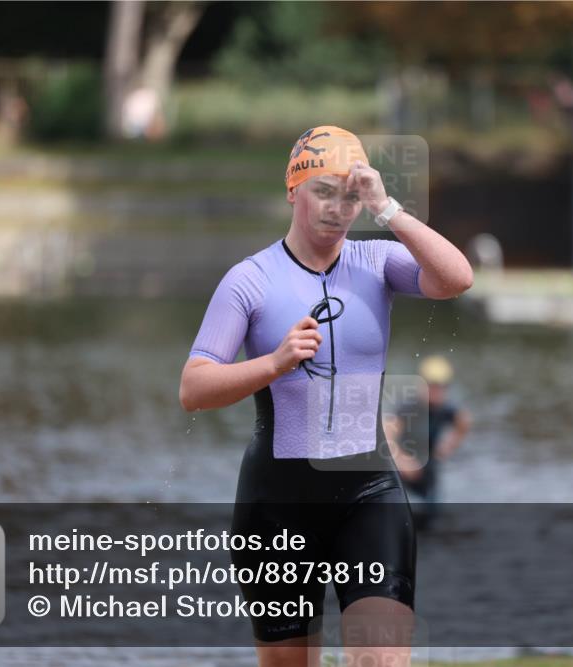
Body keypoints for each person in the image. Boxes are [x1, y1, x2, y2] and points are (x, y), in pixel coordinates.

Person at [178, 126, 473, 667]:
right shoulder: (251, 280)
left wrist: (387, 208)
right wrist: (274, 362)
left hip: (369, 494)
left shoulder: (377, 262)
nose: (338, 208)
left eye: (350, 196)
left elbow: (457, 278)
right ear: (293, 190)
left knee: (381, 660)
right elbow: (193, 388)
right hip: (277, 508)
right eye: (323, 191)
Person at [384, 355, 472, 530]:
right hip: (403, 474)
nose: (437, 391)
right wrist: (402, 460)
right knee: (400, 519)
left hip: (429, 472)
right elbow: (386, 433)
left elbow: (464, 422)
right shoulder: (409, 407)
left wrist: (448, 446)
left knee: (433, 520)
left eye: (442, 386)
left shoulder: (445, 408)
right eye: (432, 386)